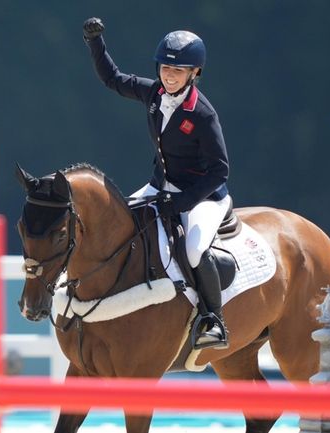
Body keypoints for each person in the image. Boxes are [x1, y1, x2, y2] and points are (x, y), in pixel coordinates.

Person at [83, 17, 231, 349]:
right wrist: (96, 44)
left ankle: (213, 320)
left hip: (203, 197)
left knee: (193, 250)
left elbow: (220, 171)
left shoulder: (203, 115)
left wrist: (182, 202)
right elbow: (113, 79)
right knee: (119, 225)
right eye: (165, 67)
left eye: (178, 70)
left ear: (195, 74)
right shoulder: (153, 93)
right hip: (160, 187)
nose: (169, 74)